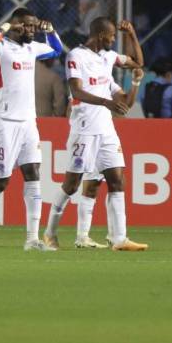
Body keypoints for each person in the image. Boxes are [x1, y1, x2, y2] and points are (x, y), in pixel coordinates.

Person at [0, 8, 63, 251]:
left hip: (28, 122)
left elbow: (57, 49)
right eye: (27, 26)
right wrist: (5, 27)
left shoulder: (32, 48)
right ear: (16, 25)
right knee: (1, 181)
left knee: (33, 172)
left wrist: (51, 31)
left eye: (33, 26)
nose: (31, 30)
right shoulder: (0, 48)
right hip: (3, 122)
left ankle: (32, 239)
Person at [42, 17, 148, 251]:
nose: (113, 40)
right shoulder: (76, 57)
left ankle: (119, 238)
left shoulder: (108, 57)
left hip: (106, 130)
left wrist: (131, 33)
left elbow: (138, 62)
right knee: (72, 185)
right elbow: (76, 91)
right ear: (101, 35)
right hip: (84, 130)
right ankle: (49, 233)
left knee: (117, 180)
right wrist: (105, 102)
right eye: (112, 36)